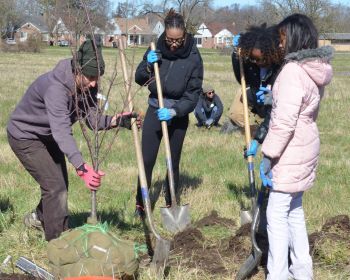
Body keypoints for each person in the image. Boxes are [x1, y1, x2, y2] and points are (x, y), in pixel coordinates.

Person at [7, 39, 140, 241]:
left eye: (98, 77)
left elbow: (93, 120)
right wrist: (82, 167)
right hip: (26, 135)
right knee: (55, 186)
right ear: (77, 71)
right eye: (91, 77)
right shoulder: (56, 89)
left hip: (48, 136)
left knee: (59, 185)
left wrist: (119, 120)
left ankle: (38, 218)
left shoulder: (88, 86)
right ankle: (58, 244)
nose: (95, 83)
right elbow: (61, 130)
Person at [260, 14, 333, 280]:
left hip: (290, 149)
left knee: (276, 213)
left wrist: (268, 155)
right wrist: (274, 97)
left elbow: (284, 123)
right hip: (306, 145)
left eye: (282, 40)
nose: (279, 46)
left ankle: (277, 274)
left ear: (294, 39)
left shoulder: (292, 71)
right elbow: (302, 104)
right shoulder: (313, 67)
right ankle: (302, 272)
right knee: (294, 210)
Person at [134, 9, 203, 213]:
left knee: (172, 161)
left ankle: (171, 200)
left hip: (177, 115)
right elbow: (139, 78)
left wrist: (175, 111)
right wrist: (148, 65)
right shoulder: (155, 48)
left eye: (178, 40)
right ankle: (141, 202)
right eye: (170, 39)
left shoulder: (193, 57)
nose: (173, 44)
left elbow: (193, 93)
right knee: (146, 159)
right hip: (156, 109)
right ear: (165, 34)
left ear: (184, 35)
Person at [221, 25, 282, 157]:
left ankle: (261, 135)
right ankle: (253, 132)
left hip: (274, 108)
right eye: (253, 59)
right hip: (256, 99)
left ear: (270, 54)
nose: (257, 62)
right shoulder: (253, 64)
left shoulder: (280, 68)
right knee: (235, 113)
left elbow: (279, 109)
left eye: (260, 59)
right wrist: (236, 56)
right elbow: (241, 79)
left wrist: (271, 99)